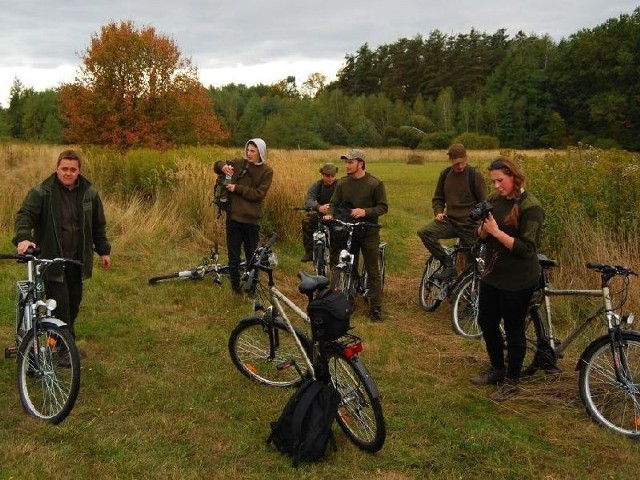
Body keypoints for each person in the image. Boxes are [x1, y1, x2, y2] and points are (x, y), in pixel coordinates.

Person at [13, 149, 111, 339]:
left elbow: (98, 225)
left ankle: (57, 342)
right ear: (57, 169)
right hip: (52, 259)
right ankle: (66, 348)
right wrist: (23, 237)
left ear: (78, 171)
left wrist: (103, 250)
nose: (68, 173)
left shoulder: (89, 193)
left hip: (77, 259)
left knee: (74, 303)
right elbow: (25, 215)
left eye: (72, 169)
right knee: (60, 305)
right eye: (64, 168)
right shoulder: (42, 192)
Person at [470, 156, 544, 402]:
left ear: (513, 176)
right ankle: (497, 369)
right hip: (493, 273)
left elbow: (526, 249)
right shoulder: (493, 199)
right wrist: (482, 230)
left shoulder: (531, 206)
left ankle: (512, 381)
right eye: (493, 181)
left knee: (514, 330)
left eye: (501, 180)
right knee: (487, 321)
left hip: (519, 278)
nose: (497, 186)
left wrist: (497, 233)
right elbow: (482, 236)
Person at [325, 149, 388, 322]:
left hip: (369, 232)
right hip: (349, 231)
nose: (347, 165)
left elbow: (383, 207)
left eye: (350, 162)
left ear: (360, 163)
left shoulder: (375, 184)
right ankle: (349, 298)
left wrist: (365, 211)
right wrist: (330, 213)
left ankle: (375, 307)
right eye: (346, 162)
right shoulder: (343, 183)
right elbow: (334, 202)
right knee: (349, 265)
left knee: (372, 269)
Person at [417, 143, 487, 279]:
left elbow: (484, 202)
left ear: (466, 158)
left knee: (473, 265)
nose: (460, 166)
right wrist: (438, 212)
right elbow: (438, 198)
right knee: (425, 233)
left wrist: (480, 223)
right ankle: (448, 264)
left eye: (462, 162)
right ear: (450, 160)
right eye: (456, 164)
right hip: (451, 221)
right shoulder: (445, 174)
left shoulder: (474, 175)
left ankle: (465, 295)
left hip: (470, 225)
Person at [214, 138, 273, 295]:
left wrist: (237, 188)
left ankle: (251, 288)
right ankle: (236, 290)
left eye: (253, 151)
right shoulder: (240, 163)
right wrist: (223, 166)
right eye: (248, 150)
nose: (249, 153)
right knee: (233, 258)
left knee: (252, 258)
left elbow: (259, 195)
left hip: (252, 220)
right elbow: (217, 166)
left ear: (261, 152)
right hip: (233, 218)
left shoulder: (267, 171)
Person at [300, 163, 338, 263]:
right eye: (327, 176)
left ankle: (337, 256)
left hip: (337, 214)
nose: (330, 178)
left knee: (340, 230)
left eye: (332, 176)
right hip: (320, 213)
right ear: (322, 175)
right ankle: (310, 252)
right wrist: (319, 207)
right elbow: (309, 200)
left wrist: (332, 210)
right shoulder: (317, 185)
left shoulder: (340, 185)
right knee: (306, 221)